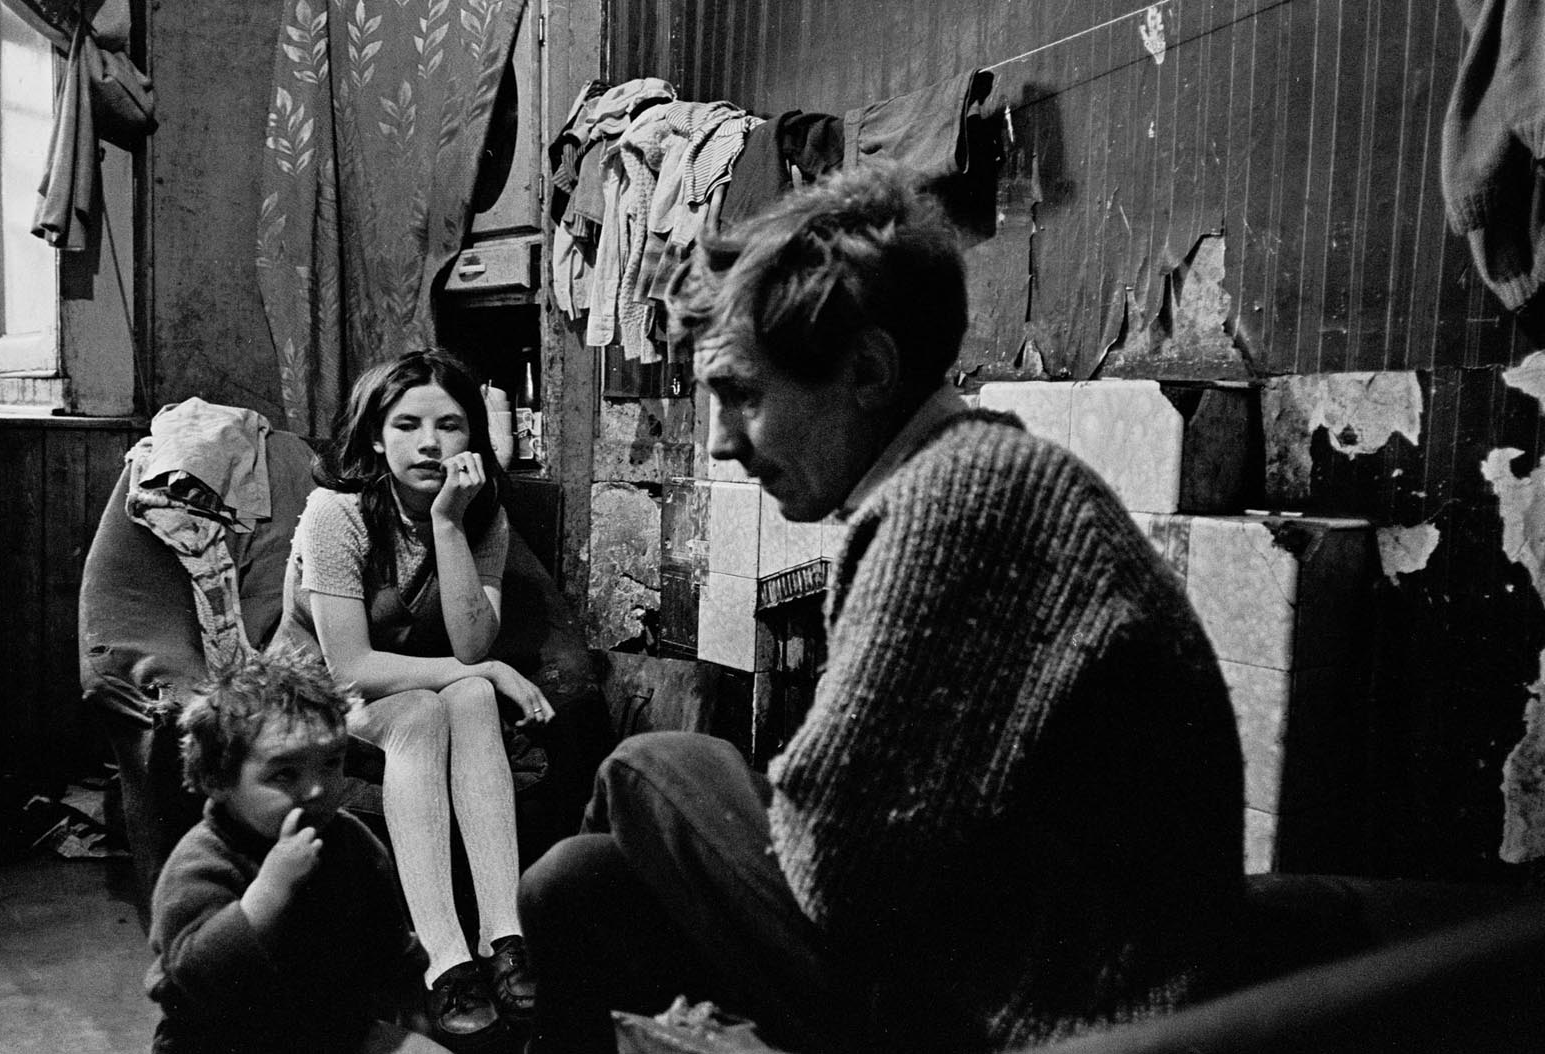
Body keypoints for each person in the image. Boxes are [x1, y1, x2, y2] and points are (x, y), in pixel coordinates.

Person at [518, 162, 1246, 1054]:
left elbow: (837, 868)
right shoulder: (973, 472)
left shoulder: (953, 501)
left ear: (868, 368)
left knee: (642, 765)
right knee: (571, 882)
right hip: (999, 953)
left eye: (742, 393)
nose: (720, 441)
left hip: (1036, 1012)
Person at [271, 349, 551, 1038]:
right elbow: (352, 667)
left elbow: (469, 645)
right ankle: (444, 962)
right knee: (434, 709)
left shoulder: (481, 514)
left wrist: (451, 525)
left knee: (470, 698)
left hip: (410, 683)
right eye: (407, 424)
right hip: (317, 692)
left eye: (451, 425)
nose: (430, 443)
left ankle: (503, 939)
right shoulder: (334, 513)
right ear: (376, 436)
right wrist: (480, 673)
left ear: (472, 438)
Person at [146, 648, 448, 1054]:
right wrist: (271, 890)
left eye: (331, 763)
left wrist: (412, 1013)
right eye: (285, 772)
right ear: (217, 779)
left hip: (326, 1029)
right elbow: (199, 977)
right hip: (219, 1040)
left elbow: (392, 946)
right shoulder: (201, 863)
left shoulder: (353, 842)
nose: (317, 790)